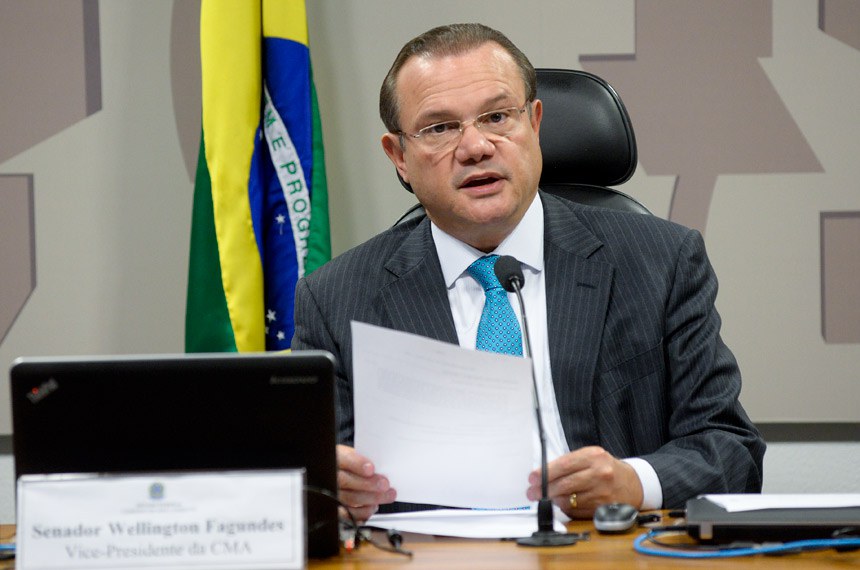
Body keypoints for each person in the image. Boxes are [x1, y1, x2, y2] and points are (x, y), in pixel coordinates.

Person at [292, 23, 765, 522]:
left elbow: (731, 450)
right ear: (399, 157)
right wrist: (327, 491)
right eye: (440, 128)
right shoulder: (335, 298)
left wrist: (634, 482)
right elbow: (309, 482)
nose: (475, 147)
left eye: (497, 117)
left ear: (535, 123)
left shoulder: (660, 261)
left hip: (606, 547)